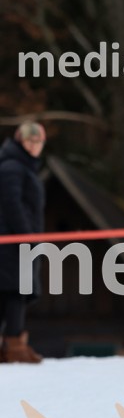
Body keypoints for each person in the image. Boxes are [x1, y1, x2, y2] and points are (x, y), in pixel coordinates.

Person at [0, 121, 46, 364]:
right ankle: (14, 347)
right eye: (30, 140)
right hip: (11, 243)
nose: (34, 145)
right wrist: (27, 236)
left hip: (16, 242)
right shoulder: (12, 167)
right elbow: (12, 205)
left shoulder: (22, 167)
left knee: (13, 292)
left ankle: (12, 343)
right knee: (15, 292)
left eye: (38, 141)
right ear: (20, 141)